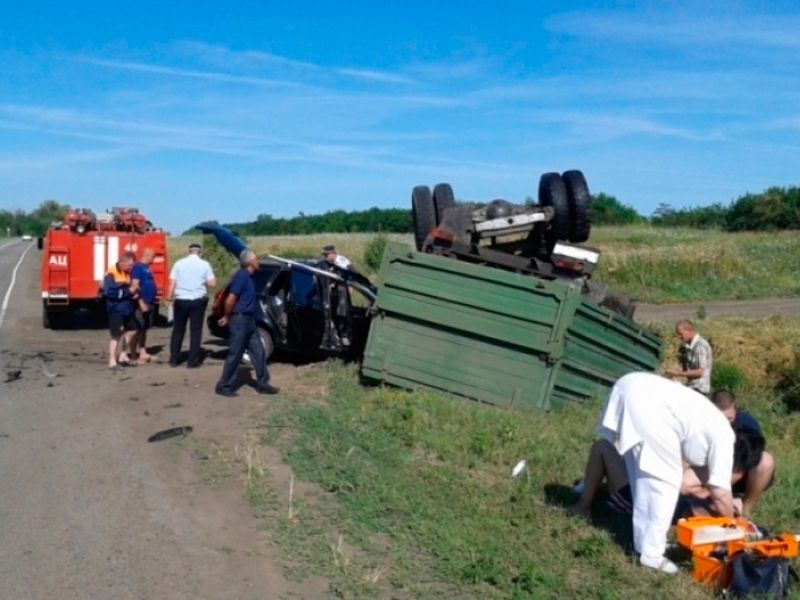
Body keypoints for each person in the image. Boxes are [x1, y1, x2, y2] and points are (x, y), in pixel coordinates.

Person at [599, 372, 735, 574]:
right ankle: (651, 555)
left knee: (644, 481)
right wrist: (732, 526)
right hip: (647, 403)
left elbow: (708, 477)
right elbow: (721, 492)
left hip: (632, 386)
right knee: (665, 482)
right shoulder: (725, 440)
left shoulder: (714, 427)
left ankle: (647, 543)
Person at [215, 249, 278, 398]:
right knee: (236, 352)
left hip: (250, 320)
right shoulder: (241, 277)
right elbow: (230, 299)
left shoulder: (251, 277)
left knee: (258, 351)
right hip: (240, 320)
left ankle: (263, 384)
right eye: (256, 259)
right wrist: (227, 316)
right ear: (250, 262)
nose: (258, 262)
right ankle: (224, 386)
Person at [711, 389, 775, 516]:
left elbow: (750, 456)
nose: (725, 423)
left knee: (765, 461)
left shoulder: (747, 423)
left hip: (739, 471)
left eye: (729, 418)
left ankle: (746, 509)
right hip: (711, 471)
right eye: (720, 418)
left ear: (735, 409)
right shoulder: (701, 421)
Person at [166, 243, 216, 368]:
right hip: (197, 300)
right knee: (195, 330)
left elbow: (172, 283)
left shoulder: (179, 263)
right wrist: (202, 281)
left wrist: (168, 297)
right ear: (200, 252)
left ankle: (174, 358)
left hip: (181, 299)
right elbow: (212, 283)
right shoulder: (205, 264)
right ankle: (192, 360)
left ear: (189, 252)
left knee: (178, 329)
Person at [103, 252, 137, 370]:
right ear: (123, 262)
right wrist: (129, 292)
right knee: (116, 335)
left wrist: (133, 294)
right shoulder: (111, 273)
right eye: (130, 265)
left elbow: (128, 288)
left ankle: (123, 354)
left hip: (127, 308)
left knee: (132, 330)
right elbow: (109, 293)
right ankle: (112, 361)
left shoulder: (126, 273)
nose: (131, 268)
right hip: (116, 309)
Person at [665, 319, 713, 395]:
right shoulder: (689, 347)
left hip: (699, 390)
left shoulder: (700, 345)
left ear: (688, 330)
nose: (679, 337)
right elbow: (685, 367)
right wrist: (671, 373)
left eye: (680, 334)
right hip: (692, 388)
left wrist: (678, 374)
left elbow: (700, 372)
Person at [130, 248, 157, 363]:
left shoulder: (147, 268)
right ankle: (133, 355)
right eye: (153, 256)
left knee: (144, 329)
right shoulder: (138, 268)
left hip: (149, 302)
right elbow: (134, 286)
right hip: (141, 304)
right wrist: (140, 302)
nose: (154, 259)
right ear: (147, 255)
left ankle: (143, 352)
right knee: (137, 329)